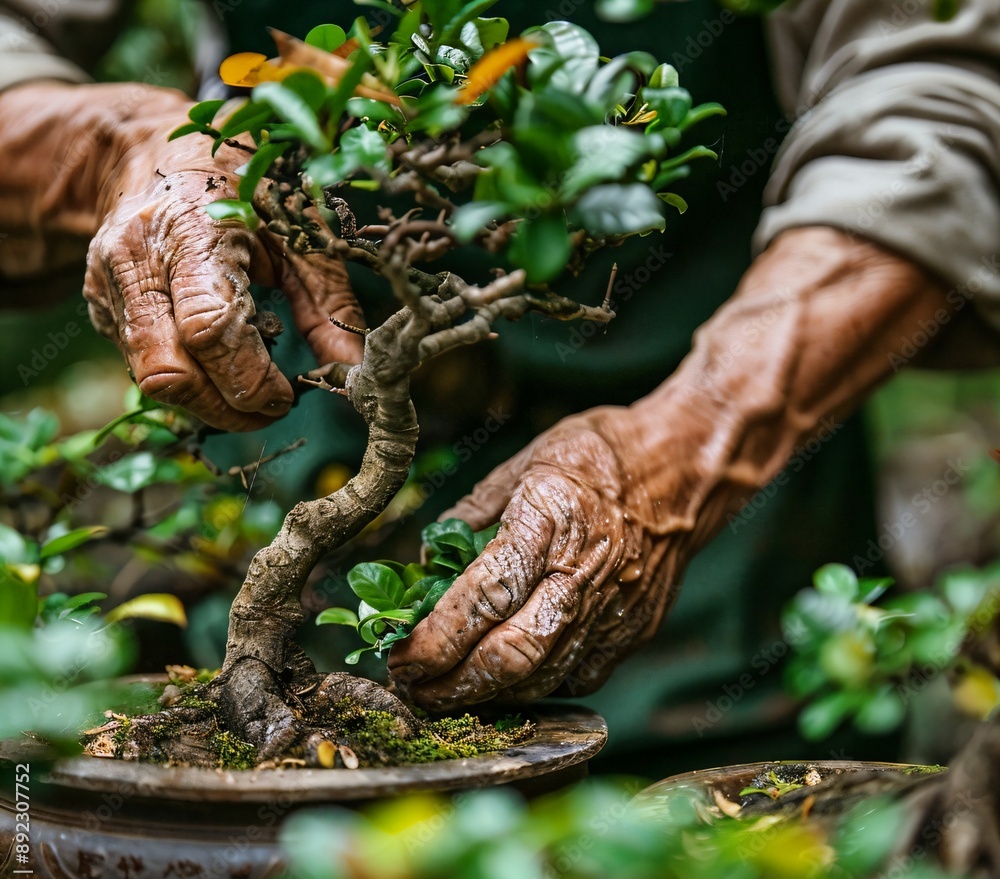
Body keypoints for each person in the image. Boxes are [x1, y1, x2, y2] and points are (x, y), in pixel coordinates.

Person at [2, 0, 999, 770]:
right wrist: (119, 143)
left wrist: (685, 440)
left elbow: (940, 92)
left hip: (722, 616)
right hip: (298, 472)